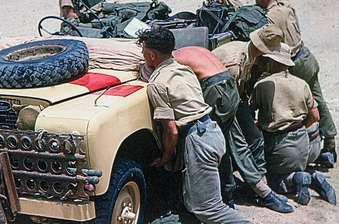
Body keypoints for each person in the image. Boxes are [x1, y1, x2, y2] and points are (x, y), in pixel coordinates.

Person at [137, 27, 252, 223]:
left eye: (143, 51)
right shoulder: (184, 69)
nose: (142, 55)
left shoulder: (156, 84)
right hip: (212, 133)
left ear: (152, 55)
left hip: (199, 141)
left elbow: (171, 130)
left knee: (207, 208)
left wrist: (165, 158)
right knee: (194, 202)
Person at [173, 46, 294, 213]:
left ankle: (231, 195)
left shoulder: (175, 60)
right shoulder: (200, 51)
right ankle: (262, 191)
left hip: (218, 92)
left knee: (223, 148)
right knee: (236, 145)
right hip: (227, 89)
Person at [252, 0, 337, 168]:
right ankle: (330, 143)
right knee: (318, 100)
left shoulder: (269, 17)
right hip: (306, 57)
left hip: (293, 64)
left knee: (292, 107)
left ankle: (303, 148)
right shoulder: (286, 7)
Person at [250, 43, 336, 205]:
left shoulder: (262, 85)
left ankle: (299, 179)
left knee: (272, 182)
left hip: (280, 146)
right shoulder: (301, 84)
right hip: (304, 144)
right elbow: (315, 116)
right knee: (292, 165)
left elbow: (249, 116)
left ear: (273, 62)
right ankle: (311, 177)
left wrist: (261, 124)